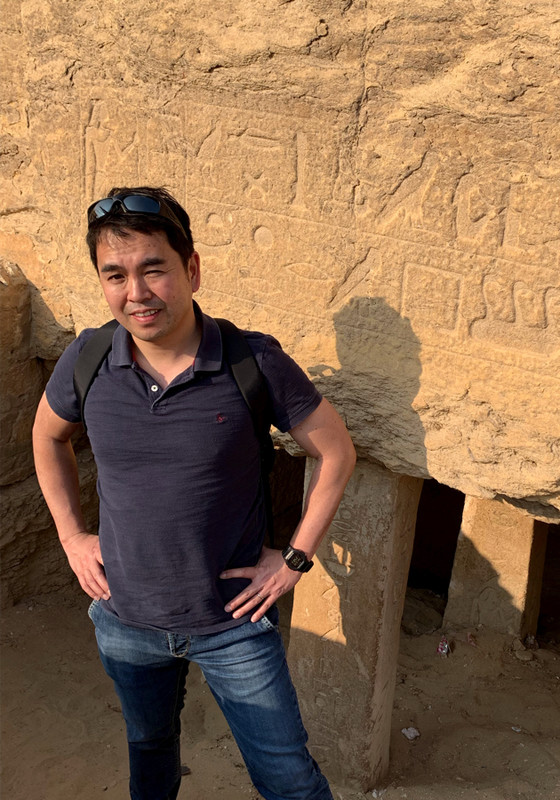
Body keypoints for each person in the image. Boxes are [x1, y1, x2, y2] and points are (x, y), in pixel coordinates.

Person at [31, 186, 356, 800]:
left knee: (288, 779)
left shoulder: (251, 360)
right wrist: (72, 537)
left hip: (233, 622)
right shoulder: (87, 358)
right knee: (150, 751)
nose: (137, 293)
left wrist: (295, 557)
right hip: (125, 618)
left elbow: (335, 451)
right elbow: (47, 437)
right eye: (116, 275)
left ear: (192, 270)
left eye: (154, 269)